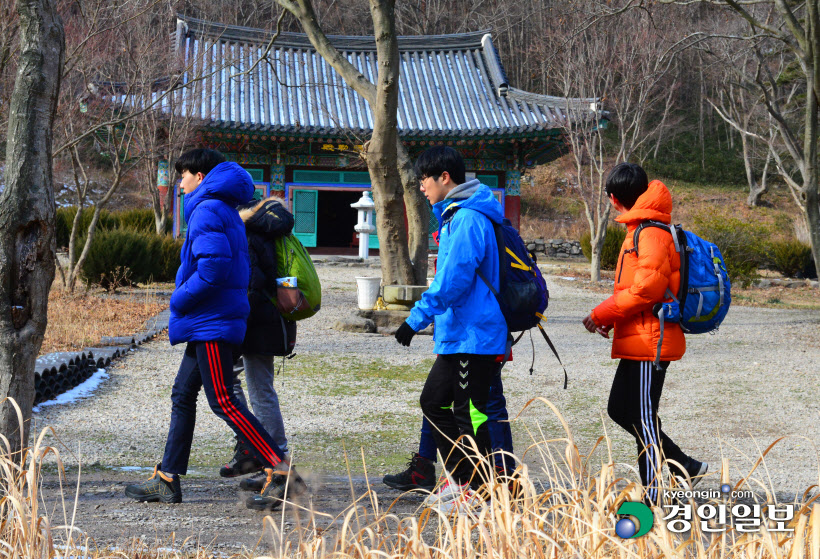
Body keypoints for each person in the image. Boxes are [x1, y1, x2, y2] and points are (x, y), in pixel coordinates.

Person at [124, 149, 305, 510]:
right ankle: (167, 479)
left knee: (222, 400)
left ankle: (281, 471)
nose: (179, 181)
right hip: (212, 320)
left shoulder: (207, 208)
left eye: (184, 174)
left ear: (201, 177)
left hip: (211, 322)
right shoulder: (223, 207)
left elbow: (215, 268)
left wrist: (179, 300)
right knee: (182, 394)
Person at [582, 162, 707, 506]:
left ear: (613, 198)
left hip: (651, 341)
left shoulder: (649, 232)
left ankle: (655, 492)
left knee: (639, 415)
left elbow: (646, 290)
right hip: (643, 336)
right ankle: (684, 464)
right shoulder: (642, 229)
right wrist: (613, 319)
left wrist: (601, 313)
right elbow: (639, 290)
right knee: (622, 409)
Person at [394, 145, 508, 513]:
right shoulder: (458, 215)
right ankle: (467, 482)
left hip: (473, 336)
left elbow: (453, 280)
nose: (422, 188)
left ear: (445, 178)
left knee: (467, 412)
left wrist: (415, 320)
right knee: (438, 403)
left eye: (424, 180)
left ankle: (478, 490)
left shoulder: (467, 219)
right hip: (463, 335)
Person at [219, 196, 298, 493]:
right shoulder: (267, 230)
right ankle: (259, 452)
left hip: (255, 323)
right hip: (267, 321)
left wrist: (235, 318)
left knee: (257, 389)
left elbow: (251, 283)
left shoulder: (249, 233)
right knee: (237, 384)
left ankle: (278, 462)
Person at [382, 375, 514, 492]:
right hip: (455, 349)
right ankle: (426, 467)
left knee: (483, 402)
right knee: (435, 400)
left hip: (480, 350)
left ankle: (500, 473)